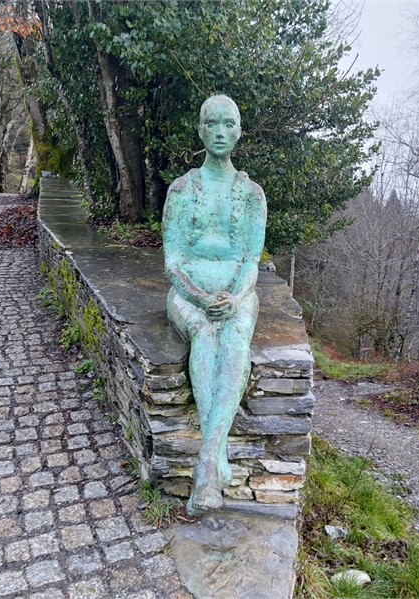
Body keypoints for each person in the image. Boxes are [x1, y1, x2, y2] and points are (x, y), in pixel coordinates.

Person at [162, 95, 267, 514]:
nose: (220, 132)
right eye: (212, 123)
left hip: (237, 293)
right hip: (189, 294)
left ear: (239, 131)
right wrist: (200, 297)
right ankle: (213, 459)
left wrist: (236, 297)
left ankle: (207, 460)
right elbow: (172, 260)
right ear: (201, 130)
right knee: (204, 333)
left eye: (228, 124)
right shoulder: (181, 190)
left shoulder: (252, 194)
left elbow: (251, 261)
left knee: (237, 337)